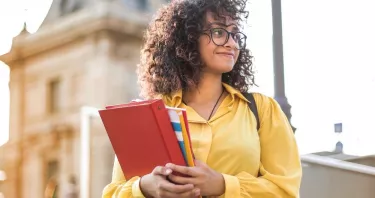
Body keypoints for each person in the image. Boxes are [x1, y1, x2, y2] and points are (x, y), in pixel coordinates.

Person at [102, 0, 302, 197]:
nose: (231, 43)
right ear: (187, 39)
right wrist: (144, 188)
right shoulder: (149, 115)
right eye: (219, 32)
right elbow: (114, 193)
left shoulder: (262, 110)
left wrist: (223, 185)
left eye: (235, 34)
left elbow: (285, 190)